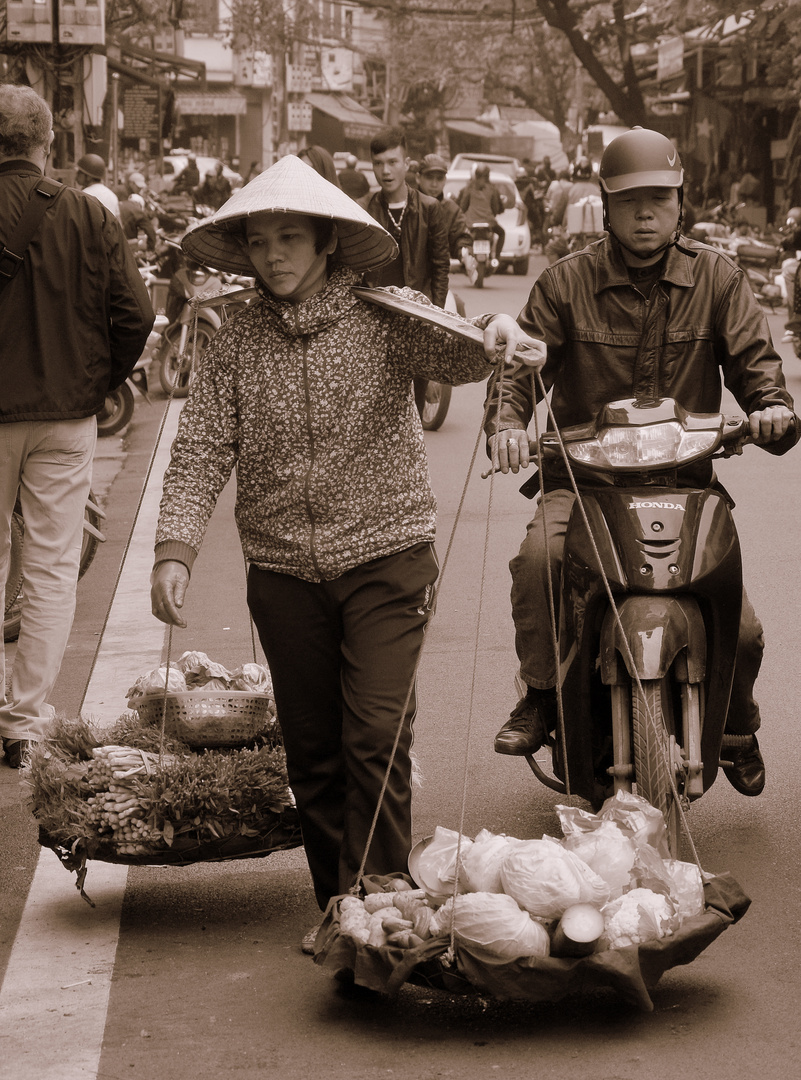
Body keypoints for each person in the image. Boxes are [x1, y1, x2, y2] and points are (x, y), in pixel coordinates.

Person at [148, 154, 540, 943]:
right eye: (260, 242)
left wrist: (500, 330)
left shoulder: (386, 317)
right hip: (283, 573)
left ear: (327, 242)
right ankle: (344, 909)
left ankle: (386, 904)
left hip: (387, 559)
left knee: (375, 737)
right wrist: (174, 549)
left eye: (290, 238)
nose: (274, 256)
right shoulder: (231, 337)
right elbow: (199, 450)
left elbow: (469, 355)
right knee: (315, 756)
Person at [483, 127, 798, 799]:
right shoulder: (564, 284)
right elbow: (518, 370)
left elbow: (756, 368)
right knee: (538, 560)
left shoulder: (718, 277)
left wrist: (770, 408)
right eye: (630, 201)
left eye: (659, 199)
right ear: (605, 206)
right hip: (583, 484)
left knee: (740, 629)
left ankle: (735, 725)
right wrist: (507, 423)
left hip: (685, 486)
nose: (646, 214)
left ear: (680, 202)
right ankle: (541, 694)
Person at [0, 85, 154, 768]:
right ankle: (25, 723)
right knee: (51, 571)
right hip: (66, 417)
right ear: (47, 142)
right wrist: (98, 382)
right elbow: (137, 313)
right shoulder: (88, 215)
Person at [416, 152, 471, 261]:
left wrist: (464, 253)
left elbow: (461, 237)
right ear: (418, 178)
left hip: (439, 274)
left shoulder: (452, 210)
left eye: (439, 178)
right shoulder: (406, 205)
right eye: (429, 178)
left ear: (445, 180)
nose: (434, 184)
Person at [456, 163, 506, 265]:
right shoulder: (493, 189)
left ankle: (460, 256)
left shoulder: (469, 188)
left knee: (459, 235)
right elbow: (495, 208)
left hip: (471, 223)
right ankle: (496, 258)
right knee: (502, 233)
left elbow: (463, 206)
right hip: (489, 222)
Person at [75, 152, 120, 219]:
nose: (77, 175)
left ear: (88, 177)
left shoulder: (83, 195)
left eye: (80, 172)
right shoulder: (112, 196)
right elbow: (118, 224)